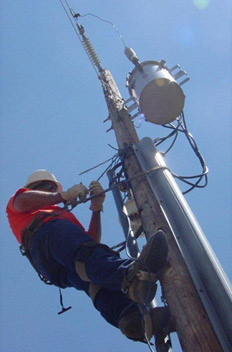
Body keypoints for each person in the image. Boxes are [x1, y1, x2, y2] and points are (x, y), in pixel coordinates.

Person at [6, 169, 174, 345]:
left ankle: (132, 319)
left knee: (92, 280)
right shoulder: (23, 202)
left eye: (52, 187)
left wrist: (96, 208)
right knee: (87, 257)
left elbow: (91, 242)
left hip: (52, 267)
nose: (51, 190)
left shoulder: (63, 216)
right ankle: (131, 276)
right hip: (45, 236)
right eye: (48, 187)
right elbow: (22, 202)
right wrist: (63, 196)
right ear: (36, 188)